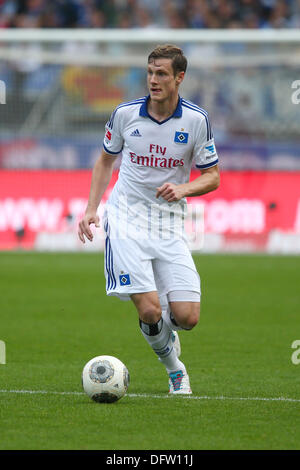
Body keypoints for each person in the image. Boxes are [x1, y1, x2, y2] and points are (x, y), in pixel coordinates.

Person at [78, 44, 220, 394]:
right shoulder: (125, 114)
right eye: (150, 72)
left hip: (169, 225)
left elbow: (212, 176)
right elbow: (104, 161)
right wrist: (91, 209)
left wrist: (183, 189)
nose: (153, 80)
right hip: (126, 221)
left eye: (162, 74)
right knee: (150, 310)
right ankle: (175, 371)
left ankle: (165, 333)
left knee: (187, 317)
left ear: (179, 78)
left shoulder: (196, 120)